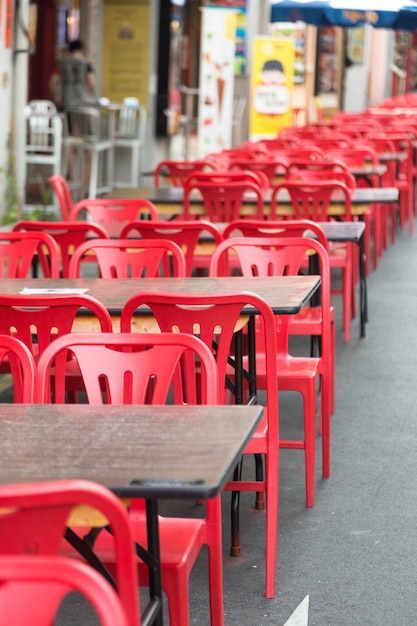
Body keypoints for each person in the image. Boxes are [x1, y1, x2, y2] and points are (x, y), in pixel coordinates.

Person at [59, 39, 96, 113]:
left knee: (68, 124)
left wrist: (57, 97)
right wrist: (90, 96)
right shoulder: (86, 63)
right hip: (82, 102)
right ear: (81, 49)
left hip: (66, 101)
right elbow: (91, 82)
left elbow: (53, 81)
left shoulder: (62, 63)